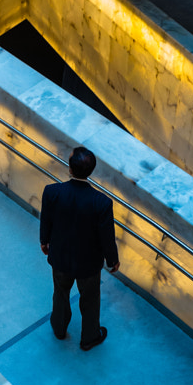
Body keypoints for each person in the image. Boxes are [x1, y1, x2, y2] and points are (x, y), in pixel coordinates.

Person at [39, 146, 120, 351]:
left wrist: (44, 241)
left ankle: (59, 328)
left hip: (60, 257)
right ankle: (89, 337)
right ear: (90, 171)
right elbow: (106, 237)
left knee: (60, 293)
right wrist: (112, 260)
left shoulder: (52, 192)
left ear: (70, 168)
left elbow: (46, 220)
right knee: (90, 300)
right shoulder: (101, 203)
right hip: (88, 263)